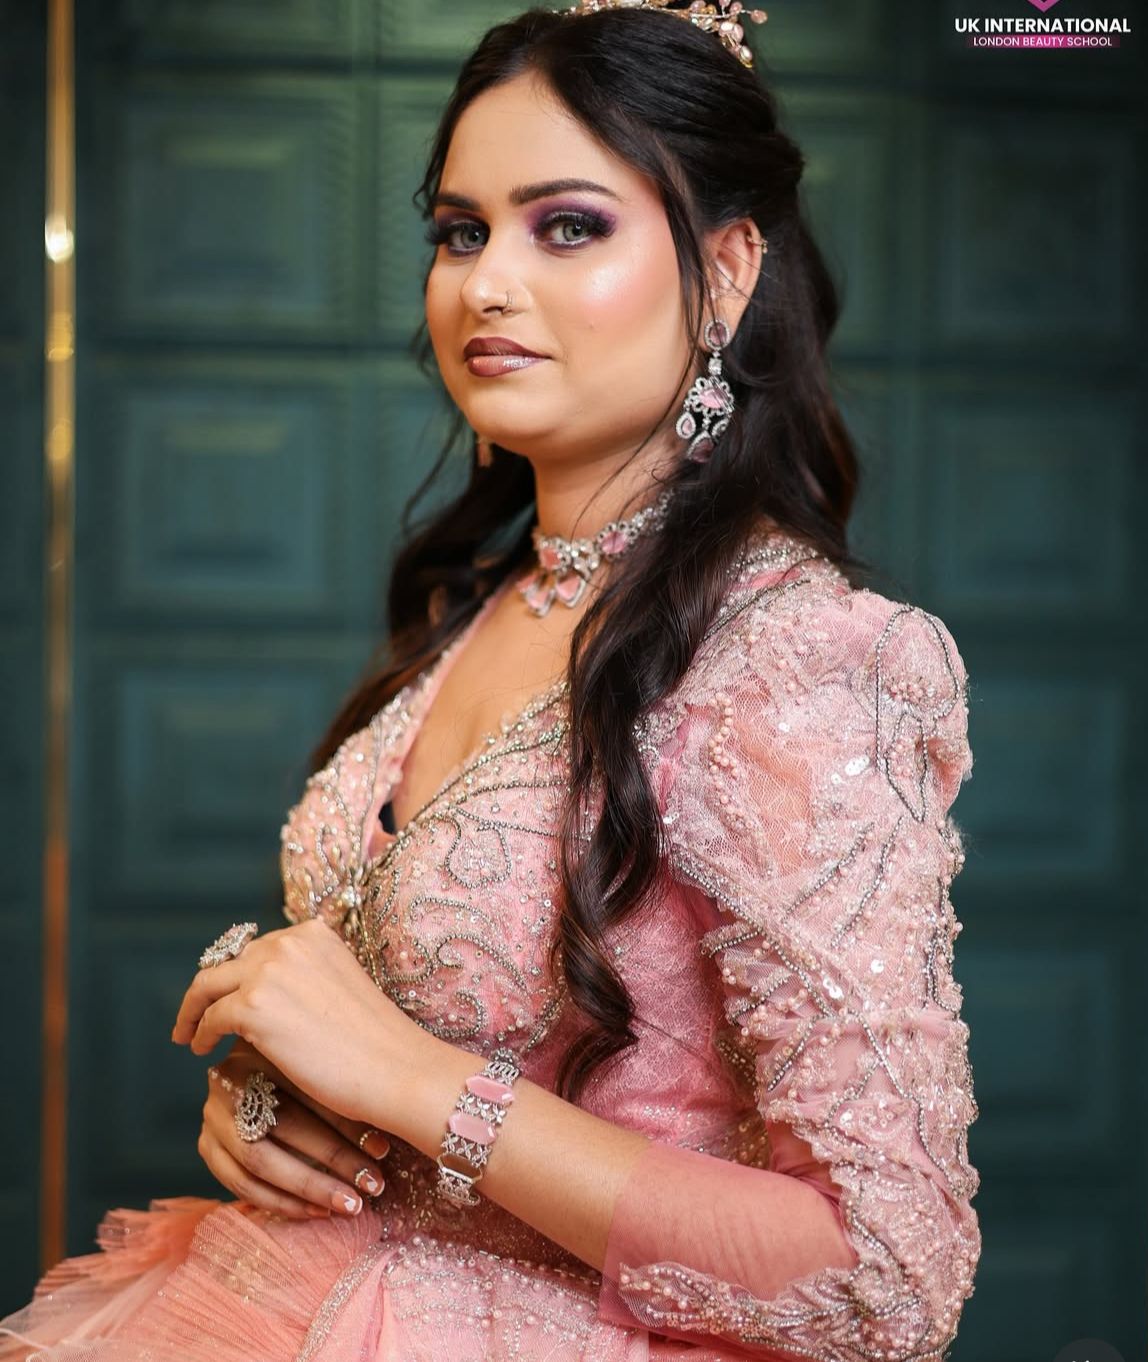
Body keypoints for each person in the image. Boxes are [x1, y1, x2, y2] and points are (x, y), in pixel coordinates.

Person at [0, 2, 981, 1358]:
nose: (485, 285)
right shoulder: (474, 612)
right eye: (460, 232)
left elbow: (883, 1273)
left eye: (566, 225)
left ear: (726, 269)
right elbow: (384, 1020)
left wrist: (413, 1083)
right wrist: (278, 1101)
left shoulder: (802, 658)